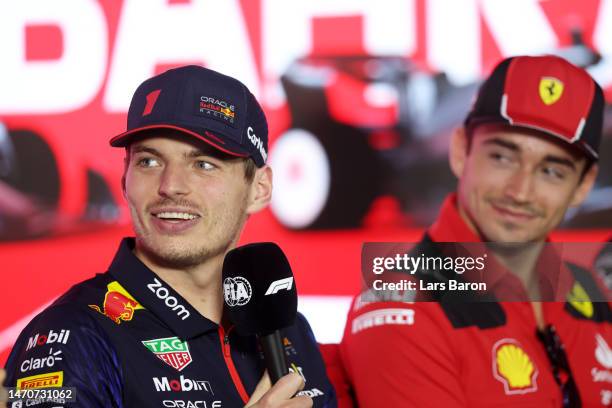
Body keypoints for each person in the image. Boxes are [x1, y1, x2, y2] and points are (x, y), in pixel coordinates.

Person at [2, 65, 335, 407]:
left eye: (204, 164)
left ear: (259, 189)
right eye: (149, 162)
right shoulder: (72, 334)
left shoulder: (288, 329)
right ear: (124, 180)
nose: (170, 186)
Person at [340, 55, 612, 406]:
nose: (520, 191)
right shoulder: (400, 302)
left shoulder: (593, 291)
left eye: (552, 171)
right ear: (460, 150)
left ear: (582, 185)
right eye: (502, 157)